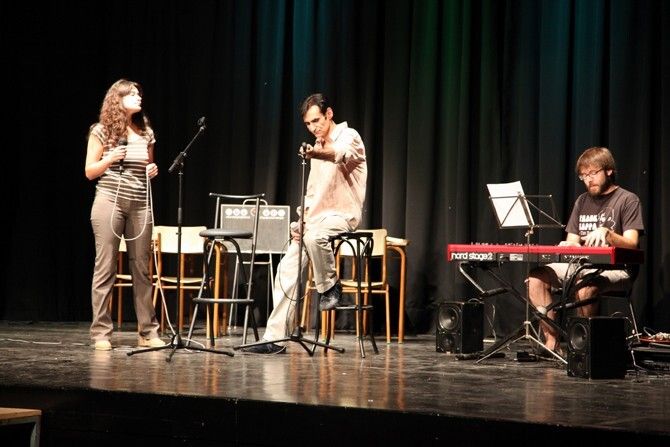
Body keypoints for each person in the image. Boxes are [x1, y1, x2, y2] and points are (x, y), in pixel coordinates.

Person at [243, 93, 367, 354]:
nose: (313, 128)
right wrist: (301, 222)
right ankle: (275, 339)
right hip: (316, 220)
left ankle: (330, 286)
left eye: (316, 121)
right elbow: (313, 194)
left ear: (329, 114)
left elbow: (340, 153)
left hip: (341, 216)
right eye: (308, 124)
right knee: (286, 269)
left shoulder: (348, 136)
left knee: (314, 237)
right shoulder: (316, 146)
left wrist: (316, 153)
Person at [527, 147, 644, 355]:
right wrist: (569, 246)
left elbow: (632, 243)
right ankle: (552, 342)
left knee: (586, 287)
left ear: (609, 170)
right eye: (583, 175)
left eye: (593, 173)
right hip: (581, 266)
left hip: (617, 269)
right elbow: (573, 242)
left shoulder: (628, 199)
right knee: (536, 278)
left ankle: (586, 348)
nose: (588, 180)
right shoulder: (582, 200)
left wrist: (608, 234)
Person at [85, 79, 165, 351]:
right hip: (110, 201)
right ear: (117, 99)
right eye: (131, 94)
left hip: (140, 203)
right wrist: (109, 158)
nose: (138, 96)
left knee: (141, 267)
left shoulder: (146, 132)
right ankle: (101, 333)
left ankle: (148, 331)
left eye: (138, 93)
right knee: (106, 266)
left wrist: (152, 169)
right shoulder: (101, 130)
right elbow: (90, 171)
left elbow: (147, 165)